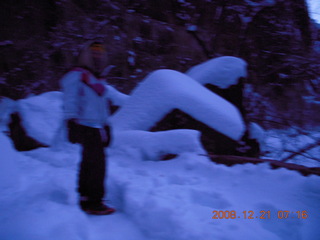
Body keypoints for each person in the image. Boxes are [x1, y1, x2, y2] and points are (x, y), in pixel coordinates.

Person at [60, 41, 119, 215]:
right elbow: (69, 99)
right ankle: (95, 202)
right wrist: (70, 121)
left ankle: (86, 197)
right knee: (97, 165)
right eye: (93, 52)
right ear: (85, 54)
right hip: (84, 125)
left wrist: (107, 125)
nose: (97, 55)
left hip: (96, 126)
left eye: (100, 52)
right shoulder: (77, 74)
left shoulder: (97, 78)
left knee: (89, 162)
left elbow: (102, 106)